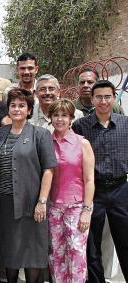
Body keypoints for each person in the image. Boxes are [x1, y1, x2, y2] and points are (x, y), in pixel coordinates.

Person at [0, 88, 57, 283]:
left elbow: (49, 169)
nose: (17, 109)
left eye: (22, 105)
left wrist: (42, 201)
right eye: (13, 105)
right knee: (10, 250)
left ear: (29, 110)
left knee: (32, 251)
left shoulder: (41, 134)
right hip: (5, 203)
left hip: (31, 203)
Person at [72, 80, 128, 282]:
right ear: (92, 99)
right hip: (93, 189)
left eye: (107, 96)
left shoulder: (125, 123)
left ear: (114, 98)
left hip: (121, 188)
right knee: (91, 242)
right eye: (98, 97)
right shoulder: (80, 126)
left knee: (125, 239)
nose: (103, 101)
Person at [47, 99, 95, 282]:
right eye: (56, 115)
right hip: (53, 207)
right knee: (57, 256)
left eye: (64, 115)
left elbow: (90, 180)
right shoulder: (45, 141)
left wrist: (86, 211)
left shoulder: (82, 143)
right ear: (50, 118)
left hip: (76, 207)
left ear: (71, 118)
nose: (60, 119)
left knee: (76, 255)